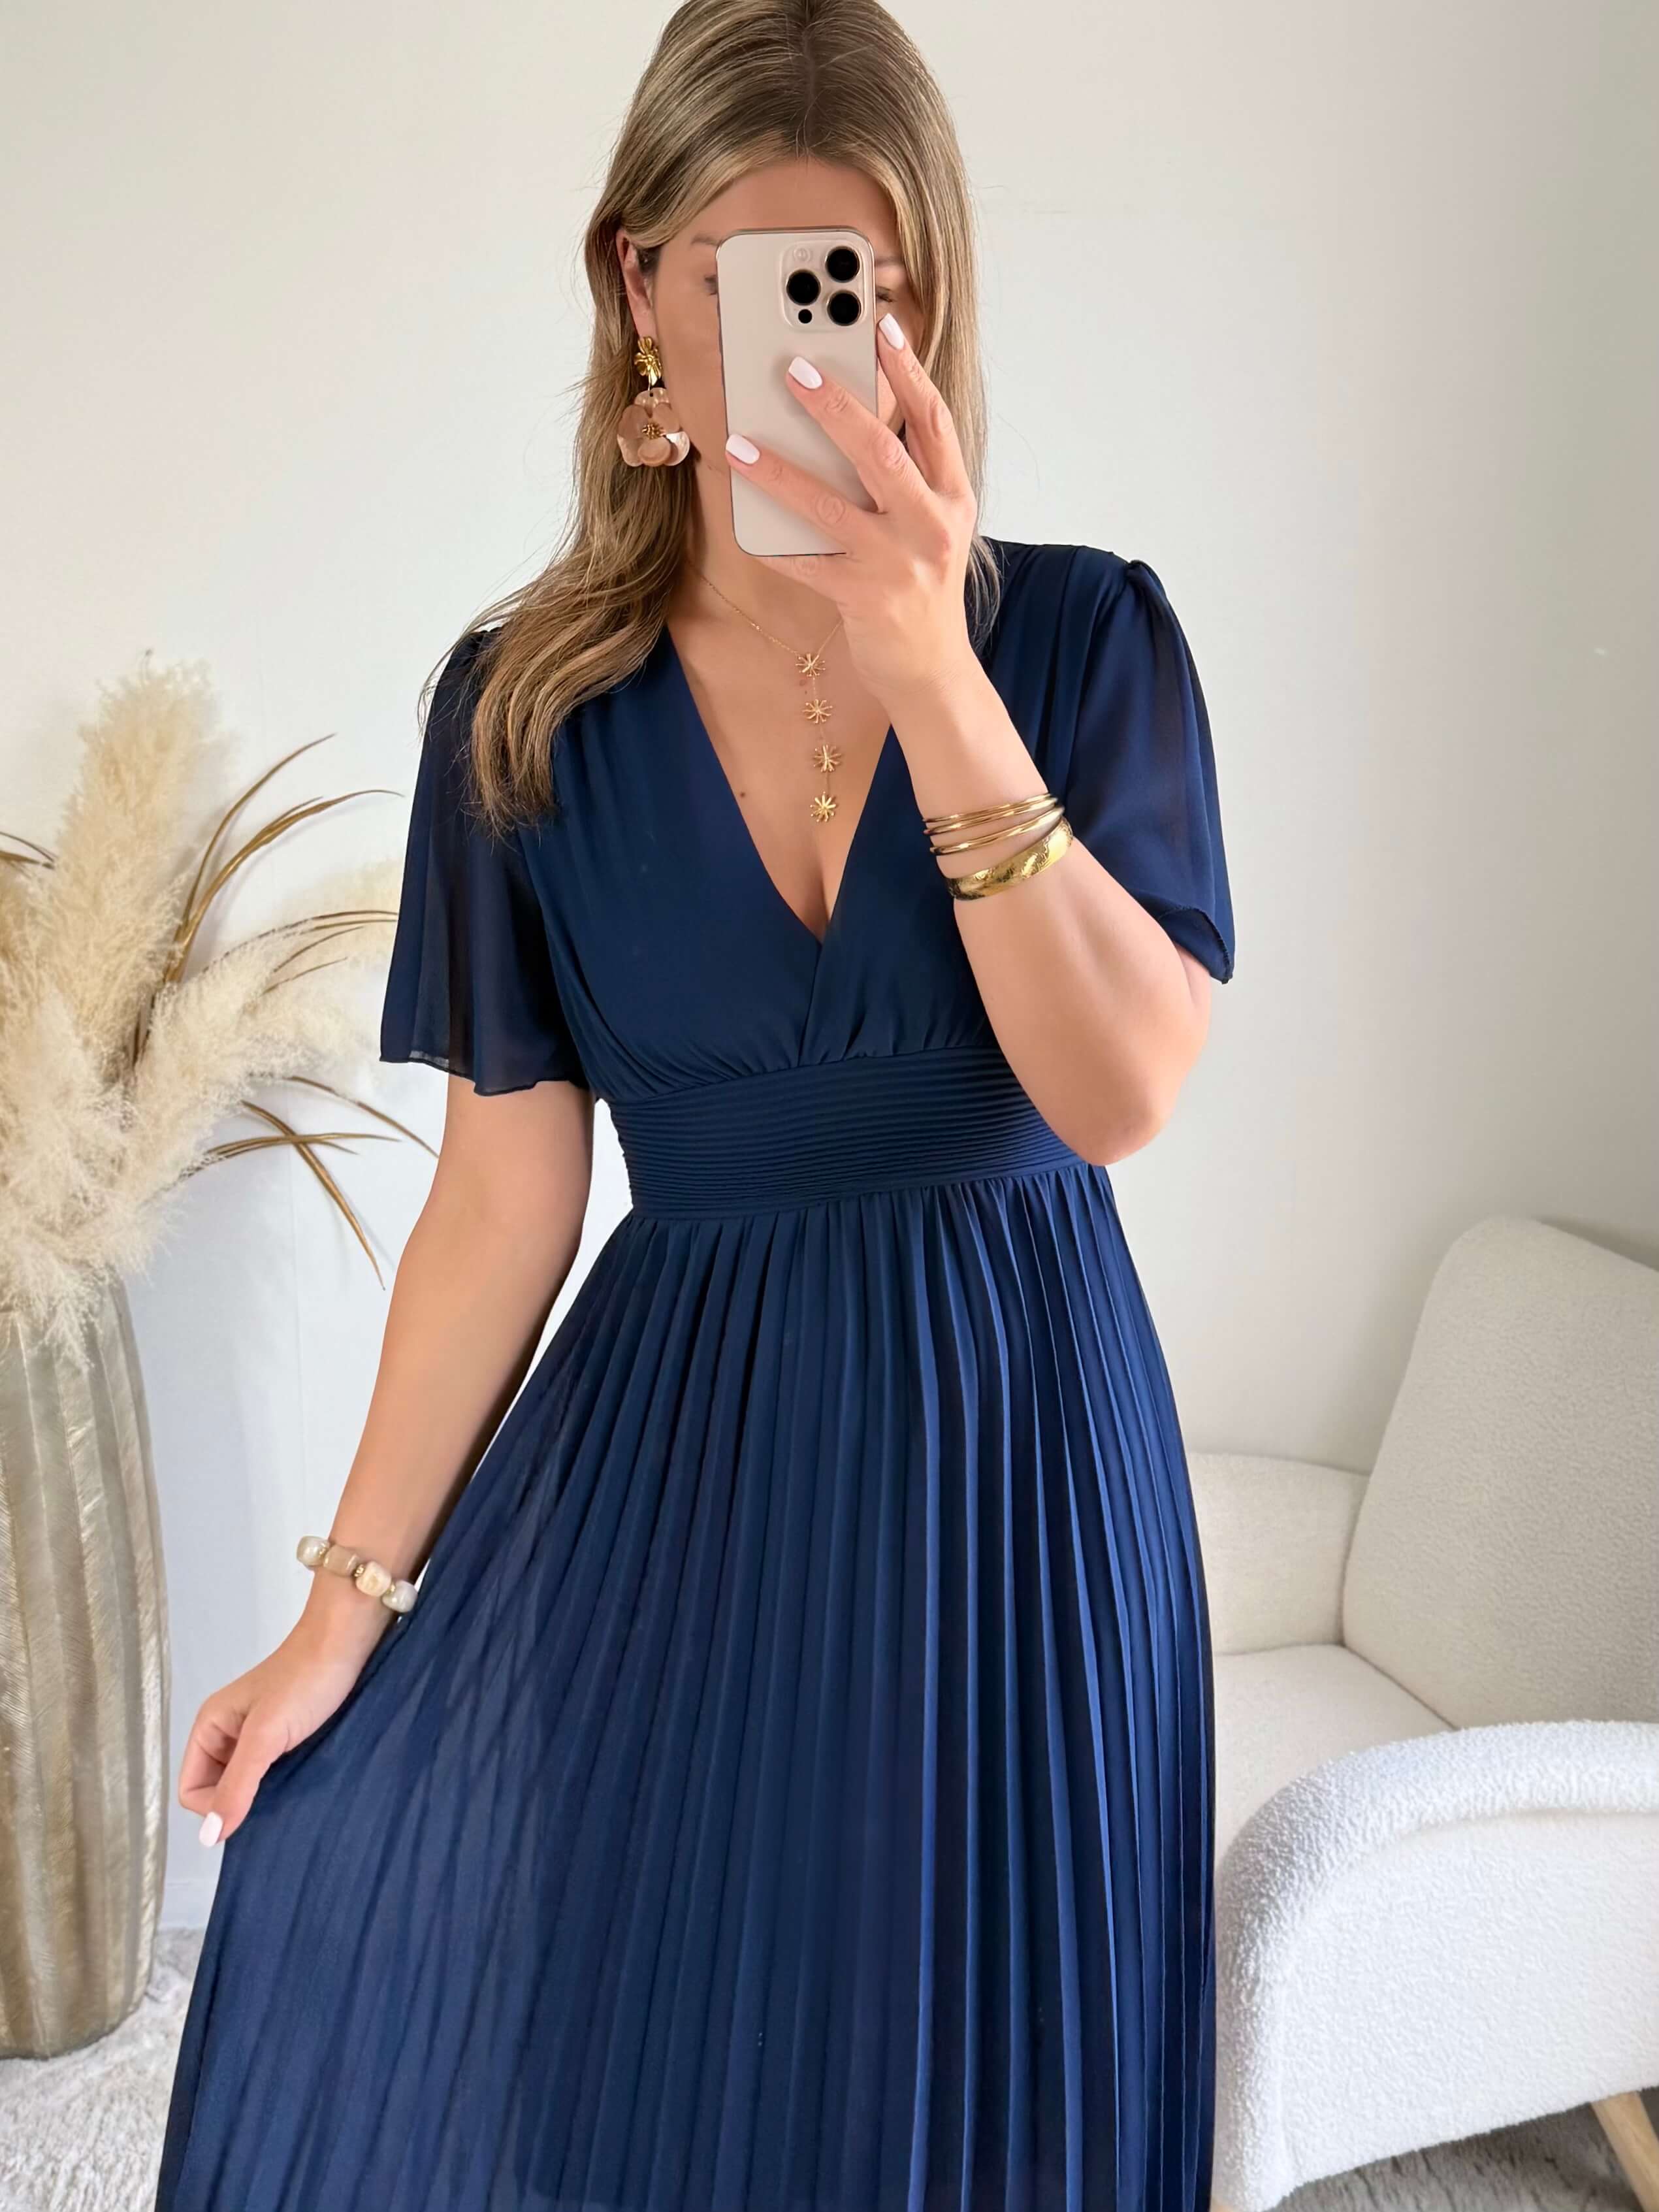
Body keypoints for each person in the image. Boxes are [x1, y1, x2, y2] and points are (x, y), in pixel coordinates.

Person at [153, 1, 1236, 2205]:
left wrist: (928, 665)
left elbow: (1119, 1088)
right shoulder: (525, 712)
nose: (811, 342)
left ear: (926, 303)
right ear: (637, 287)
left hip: (1023, 1471)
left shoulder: (1083, 645)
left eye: (864, 283)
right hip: (689, 1473)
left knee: (1002, 2086)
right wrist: (342, 1610)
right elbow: (501, 1199)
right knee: (667, 2062)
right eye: (748, 280)